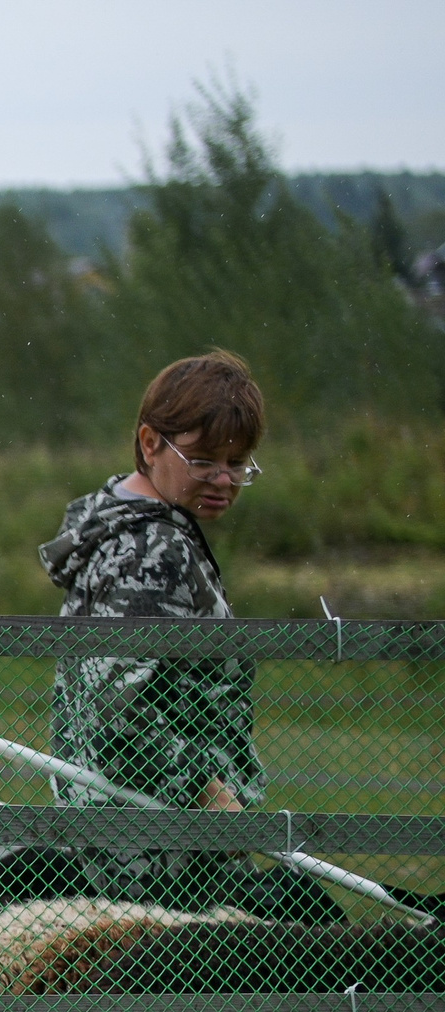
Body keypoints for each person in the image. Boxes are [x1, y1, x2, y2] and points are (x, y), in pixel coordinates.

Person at [40, 349, 339, 921]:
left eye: (239, 463)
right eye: (203, 460)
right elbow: (119, 708)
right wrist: (207, 791)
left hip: (125, 833)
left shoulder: (125, 528)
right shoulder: (152, 550)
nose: (224, 481)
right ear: (150, 442)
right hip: (160, 853)